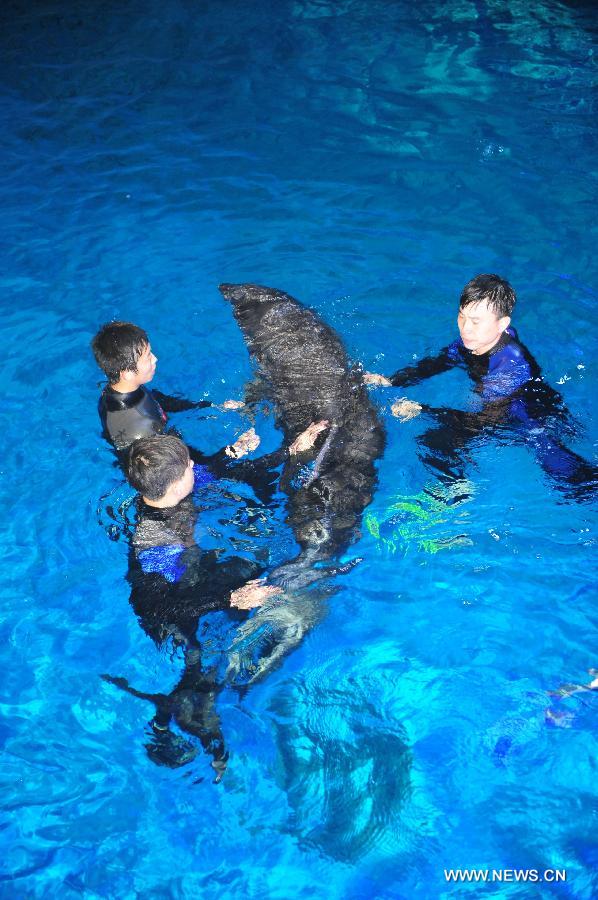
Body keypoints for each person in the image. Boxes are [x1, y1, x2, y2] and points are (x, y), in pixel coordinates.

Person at [103, 434, 283, 779]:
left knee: (252, 571)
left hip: (191, 576)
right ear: (173, 484)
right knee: (204, 669)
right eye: (188, 465)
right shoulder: (155, 541)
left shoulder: (166, 493)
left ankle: (172, 712)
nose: (193, 466)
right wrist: (230, 599)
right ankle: (194, 728)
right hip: (173, 611)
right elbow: (155, 607)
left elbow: (208, 471)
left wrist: (235, 450)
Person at [364, 274, 597, 500]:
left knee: (576, 485)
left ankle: (460, 499)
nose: (465, 328)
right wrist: (393, 380)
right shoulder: (476, 340)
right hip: (505, 408)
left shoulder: (510, 365)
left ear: (502, 325)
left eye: (476, 322)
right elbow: (441, 361)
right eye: (461, 316)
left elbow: (484, 422)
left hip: (532, 420)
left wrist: (424, 411)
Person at [91, 320, 328, 501]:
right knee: (261, 480)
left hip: (167, 450)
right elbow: (184, 474)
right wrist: (233, 451)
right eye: (147, 357)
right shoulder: (138, 428)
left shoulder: (120, 391)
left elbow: (158, 400)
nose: (156, 359)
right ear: (127, 371)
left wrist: (209, 407)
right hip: (170, 481)